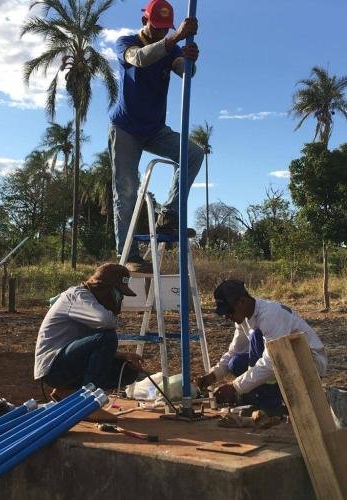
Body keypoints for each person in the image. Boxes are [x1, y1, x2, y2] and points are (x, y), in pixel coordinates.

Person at [109, 0, 204, 273]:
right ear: (144, 21)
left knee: (194, 153)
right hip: (125, 128)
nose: (161, 32)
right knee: (126, 191)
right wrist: (175, 38)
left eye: (166, 29)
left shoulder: (171, 47)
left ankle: (169, 214)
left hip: (154, 130)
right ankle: (129, 255)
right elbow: (139, 59)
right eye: (157, 26)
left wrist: (189, 60)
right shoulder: (125, 43)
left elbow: (184, 71)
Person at [197, 279, 327, 412]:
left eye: (230, 312)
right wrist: (213, 375)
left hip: (309, 364)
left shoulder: (270, 316)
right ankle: (262, 399)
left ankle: (269, 405)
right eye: (225, 314)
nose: (228, 317)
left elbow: (270, 362)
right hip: (284, 362)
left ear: (242, 301)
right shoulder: (244, 319)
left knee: (256, 336)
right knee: (235, 363)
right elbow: (234, 352)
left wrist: (235, 387)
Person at [34, 263, 143, 401]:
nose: (120, 299)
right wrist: (112, 311)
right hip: (53, 368)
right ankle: (88, 402)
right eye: (118, 293)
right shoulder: (78, 296)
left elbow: (92, 348)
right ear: (105, 288)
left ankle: (66, 392)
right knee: (108, 337)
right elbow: (106, 321)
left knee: (128, 370)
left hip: (68, 361)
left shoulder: (94, 303)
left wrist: (122, 355)